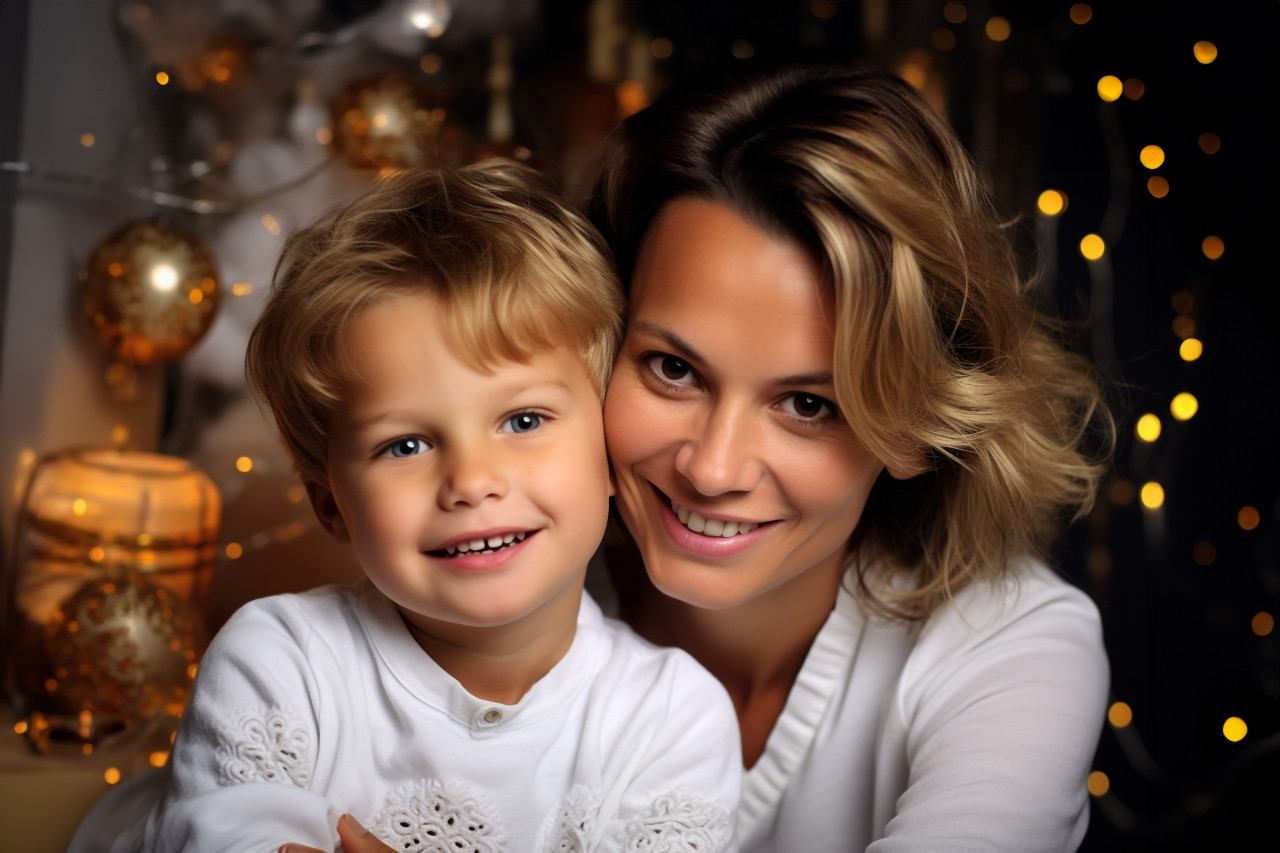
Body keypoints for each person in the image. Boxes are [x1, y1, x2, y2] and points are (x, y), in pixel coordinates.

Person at [295, 60, 1114, 853]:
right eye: (673, 368)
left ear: (918, 429)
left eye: (807, 405)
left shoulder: (1012, 649)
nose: (713, 469)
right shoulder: (471, 583)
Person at [73, 161, 742, 853]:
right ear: (331, 504)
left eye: (523, 420)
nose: (471, 481)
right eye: (406, 444)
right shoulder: (280, 662)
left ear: (608, 447)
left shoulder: (673, 721)